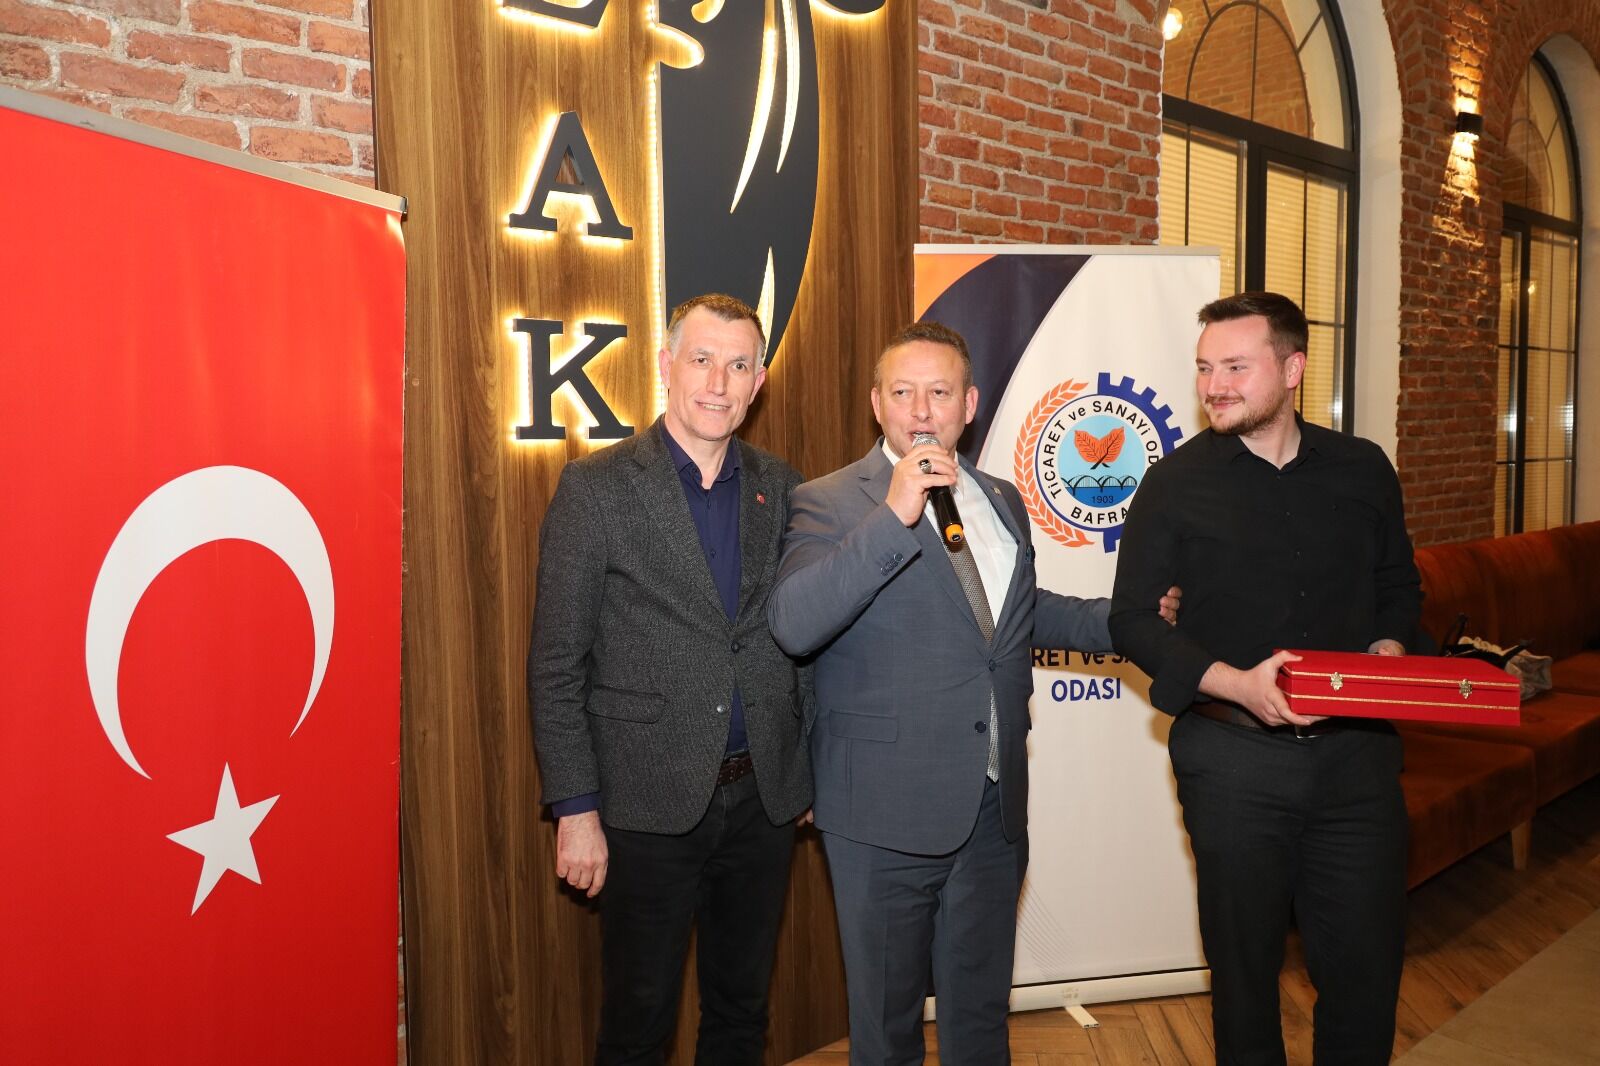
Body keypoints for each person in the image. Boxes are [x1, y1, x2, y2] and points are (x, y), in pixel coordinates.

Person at [766, 321, 1178, 1065]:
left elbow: (1014, 616)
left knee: (981, 1021)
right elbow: (795, 624)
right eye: (902, 392)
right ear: (876, 405)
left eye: (939, 392)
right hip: (883, 813)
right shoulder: (828, 502)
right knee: (886, 1033)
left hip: (993, 809)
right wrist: (894, 515)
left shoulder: (1001, 499)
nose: (921, 410)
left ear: (970, 405)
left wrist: (1129, 622)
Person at [1109, 291, 1423, 1066]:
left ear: (1292, 369)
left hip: (1357, 762)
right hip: (1232, 764)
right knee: (1244, 977)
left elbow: (1398, 585)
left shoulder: (1364, 468)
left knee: (1366, 973)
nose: (1214, 386)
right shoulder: (1173, 484)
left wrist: (1388, 647)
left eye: (1235, 368)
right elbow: (1133, 621)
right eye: (1205, 368)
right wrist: (1237, 683)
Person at [528, 293, 812, 1065]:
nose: (718, 383)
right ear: (666, 365)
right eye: (702, 360)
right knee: (637, 1024)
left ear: (758, 383)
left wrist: (808, 769)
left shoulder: (785, 488)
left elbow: (806, 640)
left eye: (739, 366)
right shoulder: (597, 488)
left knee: (741, 1013)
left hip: (762, 804)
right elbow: (556, 663)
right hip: (643, 804)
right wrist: (575, 809)